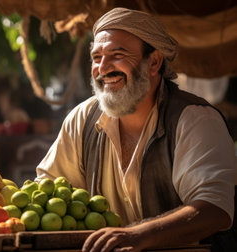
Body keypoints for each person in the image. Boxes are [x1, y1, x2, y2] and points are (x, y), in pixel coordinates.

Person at [35, 7, 237, 252]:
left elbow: (215, 211)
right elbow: (46, 192)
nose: (103, 67)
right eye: (96, 57)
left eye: (117, 54)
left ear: (153, 62)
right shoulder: (82, 119)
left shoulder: (194, 120)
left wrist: (137, 235)